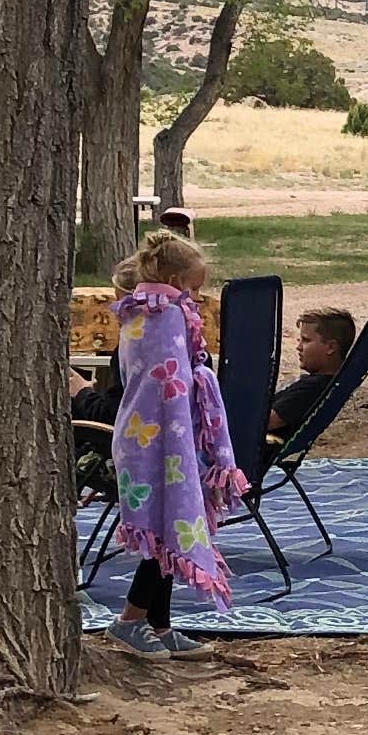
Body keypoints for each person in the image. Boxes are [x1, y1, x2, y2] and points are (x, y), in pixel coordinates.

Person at [101, 231, 245, 657]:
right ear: (171, 279)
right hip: (155, 441)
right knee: (163, 528)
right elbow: (165, 383)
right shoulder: (160, 316)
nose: (196, 299)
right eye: (193, 289)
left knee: (169, 528)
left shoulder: (152, 313)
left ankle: (159, 625)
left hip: (168, 438)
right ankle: (129, 620)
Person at [264, 306, 357, 444]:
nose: (299, 347)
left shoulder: (311, 389)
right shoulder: (329, 384)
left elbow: (265, 423)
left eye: (306, 340)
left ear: (331, 347)